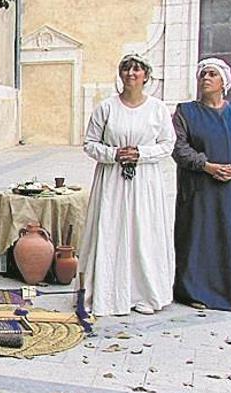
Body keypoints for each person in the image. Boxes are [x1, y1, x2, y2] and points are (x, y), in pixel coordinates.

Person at [79, 54, 176, 317]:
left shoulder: (157, 109)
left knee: (143, 232)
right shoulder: (106, 108)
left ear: (146, 75)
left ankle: (145, 293)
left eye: (137, 69)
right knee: (112, 230)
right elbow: (89, 143)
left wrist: (141, 154)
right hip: (112, 182)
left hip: (145, 183)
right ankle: (109, 293)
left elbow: (168, 144)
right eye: (126, 69)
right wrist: (114, 155)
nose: (131, 73)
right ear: (120, 75)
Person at [172, 57, 231, 312]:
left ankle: (229, 286)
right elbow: (179, 148)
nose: (206, 78)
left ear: (224, 81)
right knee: (198, 237)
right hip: (199, 189)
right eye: (202, 74)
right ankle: (192, 290)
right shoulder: (185, 112)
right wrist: (206, 166)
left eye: (212, 74)